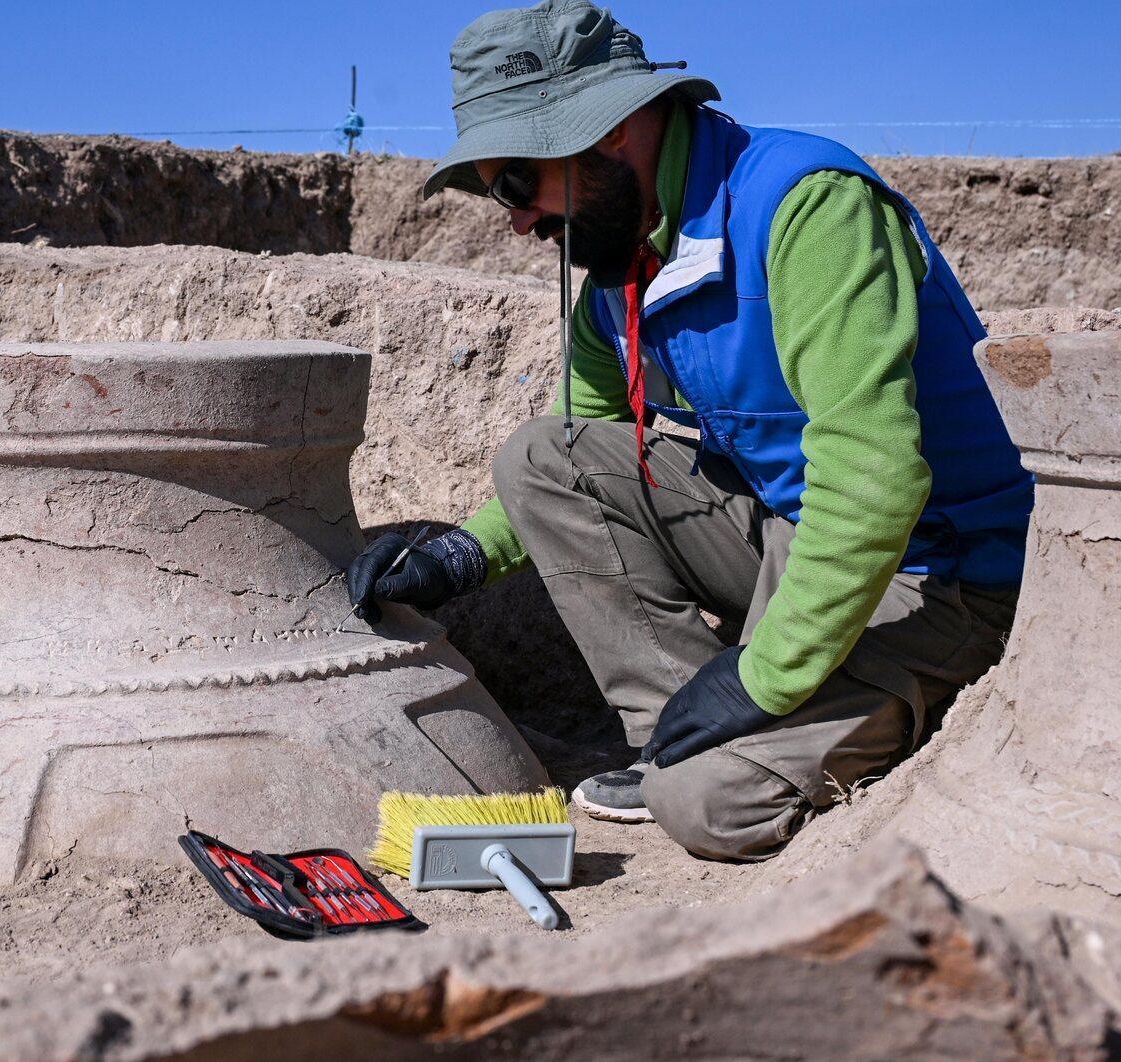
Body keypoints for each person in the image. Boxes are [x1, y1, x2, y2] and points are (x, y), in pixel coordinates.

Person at [347, 0, 1033, 861]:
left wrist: (762, 675)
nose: (516, 219)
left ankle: (809, 721)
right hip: (800, 542)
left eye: (516, 182)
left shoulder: (807, 209)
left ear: (611, 131)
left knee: (709, 808)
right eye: (496, 195)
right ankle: (679, 728)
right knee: (541, 456)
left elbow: (873, 478)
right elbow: (578, 437)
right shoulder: (622, 264)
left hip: (938, 574)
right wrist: (464, 554)